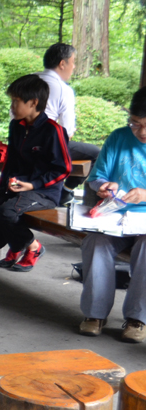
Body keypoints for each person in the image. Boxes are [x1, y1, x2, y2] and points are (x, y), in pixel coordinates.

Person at [0, 74, 71, 272]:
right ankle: (18, 245)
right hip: (18, 187)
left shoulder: (53, 131)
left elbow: (64, 169)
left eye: (16, 101)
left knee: (5, 213)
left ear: (33, 103)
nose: (12, 106)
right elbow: (11, 160)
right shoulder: (16, 126)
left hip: (44, 192)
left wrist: (33, 185)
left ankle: (33, 247)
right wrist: (5, 185)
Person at [78, 87, 146, 342]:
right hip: (114, 216)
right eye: (135, 124)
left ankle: (138, 319)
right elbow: (97, 177)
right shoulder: (118, 137)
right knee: (96, 242)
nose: (141, 132)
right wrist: (103, 186)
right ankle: (95, 314)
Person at [38, 43, 101, 204]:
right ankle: (66, 192)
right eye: (73, 63)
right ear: (62, 63)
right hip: (43, 148)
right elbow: (66, 132)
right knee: (97, 153)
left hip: (18, 144)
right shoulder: (63, 89)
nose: (73, 68)